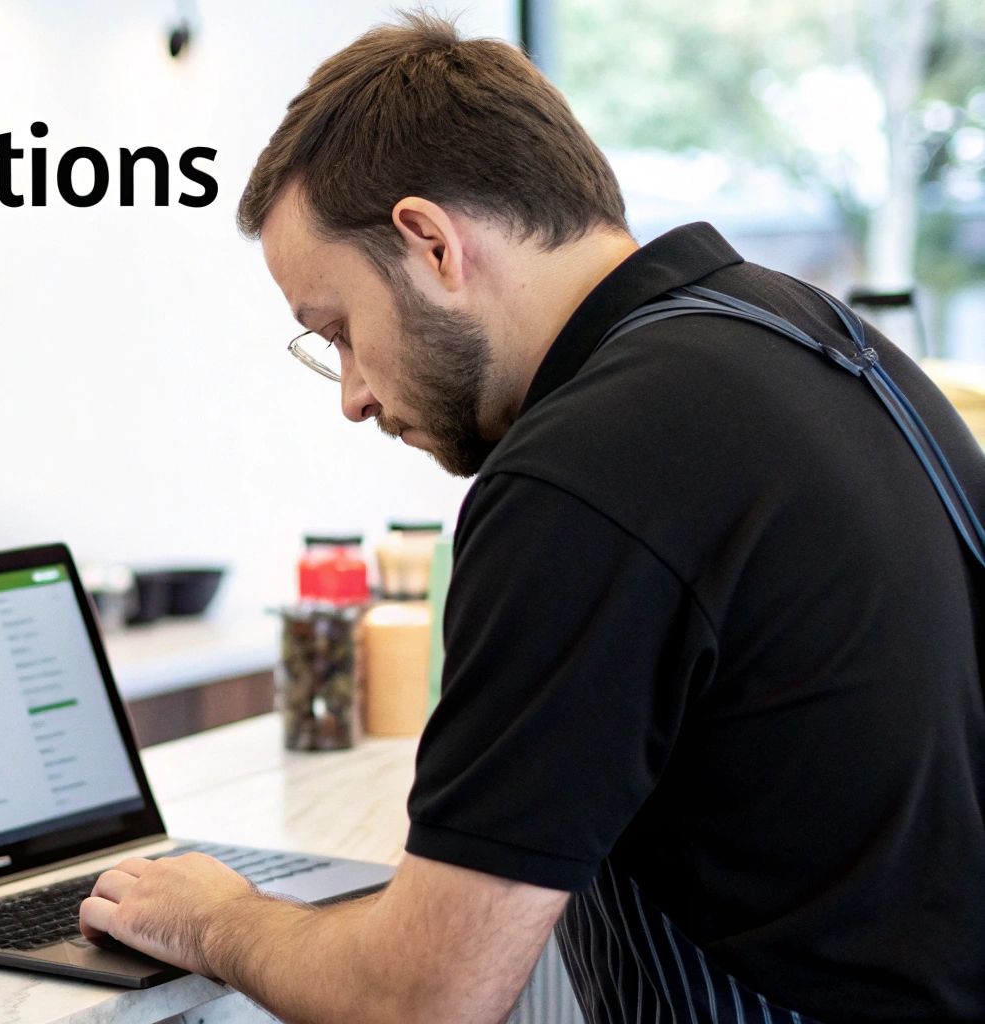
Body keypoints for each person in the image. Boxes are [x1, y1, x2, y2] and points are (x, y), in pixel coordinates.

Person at [77, 14, 984, 1023]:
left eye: (336, 330)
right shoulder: (818, 337)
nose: (351, 394)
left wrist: (217, 918)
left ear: (429, 243)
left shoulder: (581, 470)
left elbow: (422, 998)